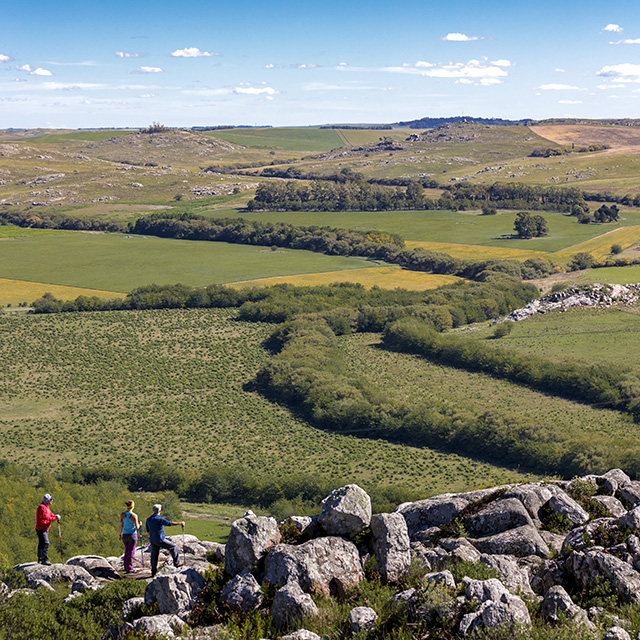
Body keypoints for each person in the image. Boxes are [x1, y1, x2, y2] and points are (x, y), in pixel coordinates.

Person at [145, 504, 185, 577]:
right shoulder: (160, 519)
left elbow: (148, 531)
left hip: (152, 539)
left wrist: (151, 537)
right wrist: (180, 523)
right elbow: (169, 523)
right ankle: (177, 563)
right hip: (160, 539)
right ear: (160, 510)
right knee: (173, 547)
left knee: (154, 555)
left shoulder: (149, 519)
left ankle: (153, 571)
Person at [36, 494, 61, 565]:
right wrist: (55, 518)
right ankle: (44, 559)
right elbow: (46, 518)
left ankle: (40, 559)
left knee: (41, 543)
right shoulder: (42, 507)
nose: (51, 501)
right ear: (47, 501)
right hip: (41, 528)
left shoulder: (46, 507)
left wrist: (55, 516)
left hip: (44, 528)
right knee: (46, 543)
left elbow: (50, 514)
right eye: (50, 500)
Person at [119, 499, 141, 574]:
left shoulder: (122, 514)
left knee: (126, 551)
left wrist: (119, 534)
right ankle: (129, 568)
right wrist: (140, 524)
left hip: (124, 535)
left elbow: (121, 525)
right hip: (132, 535)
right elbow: (137, 527)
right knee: (131, 551)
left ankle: (125, 567)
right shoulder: (134, 516)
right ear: (133, 506)